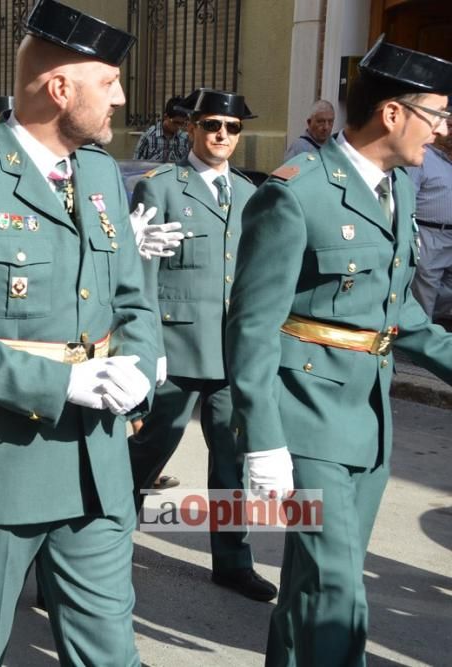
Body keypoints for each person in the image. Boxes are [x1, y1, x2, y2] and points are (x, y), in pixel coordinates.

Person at [0, 0, 162, 662]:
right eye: (109, 82)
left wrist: (142, 364)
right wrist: (61, 380)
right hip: (3, 461)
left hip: (96, 461)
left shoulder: (100, 173)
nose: (121, 98)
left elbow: (133, 297)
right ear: (59, 88)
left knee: (109, 646)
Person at [226, 38, 452, 665]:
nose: (442, 129)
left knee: (308, 583)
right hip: (306, 420)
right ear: (393, 114)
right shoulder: (297, 193)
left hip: (369, 418)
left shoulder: (397, 187)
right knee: (338, 591)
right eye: (438, 114)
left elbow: (396, 309)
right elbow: (250, 327)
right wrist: (265, 440)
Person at [127, 87, 278, 601]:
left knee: (231, 460)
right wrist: (147, 345)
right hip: (176, 347)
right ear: (192, 128)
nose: (222, 136)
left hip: (231, 354)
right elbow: (142, 274)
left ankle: (233, 560)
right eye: (213, 125)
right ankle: (98, 545)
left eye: (233, 128)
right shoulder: (163, 186)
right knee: (146, 452)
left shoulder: (251, 193)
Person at [407, 106, 452, 320]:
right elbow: (407, 197)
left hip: (450, 237)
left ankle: (431, 328)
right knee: (425, 293)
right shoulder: (423, 157)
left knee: (446, 295)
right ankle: (415, 344)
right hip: (428, 235)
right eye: (449, 126)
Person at [133, 95, 190, 162]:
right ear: (166, 117)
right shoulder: (149, 136)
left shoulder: (184, 138)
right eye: (176, 122)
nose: (179, 127)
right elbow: (136, 162)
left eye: (182, 123)